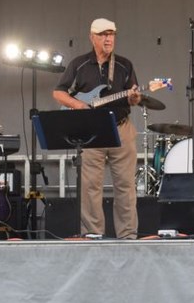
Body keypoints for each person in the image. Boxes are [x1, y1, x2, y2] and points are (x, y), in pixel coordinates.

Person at [53, 18, 142, 239]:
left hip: (121, 128)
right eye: (103, 34)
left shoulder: (124, 64)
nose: (108, 38)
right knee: (90, 187)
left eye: (111, 34)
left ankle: (128, 235)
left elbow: (132, 98)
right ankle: (92, 234)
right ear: (92, 37)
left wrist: (135, 97)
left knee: (126, 187)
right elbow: (58, 92)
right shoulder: (79, 64)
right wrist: (79, 105)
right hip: (91, 130)